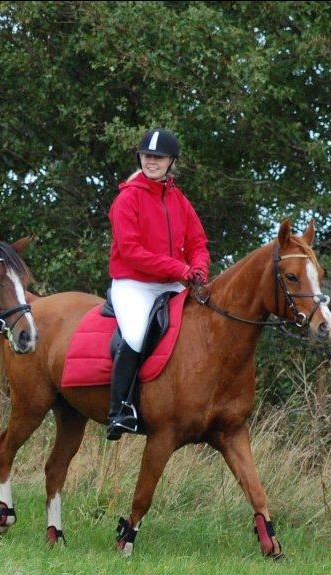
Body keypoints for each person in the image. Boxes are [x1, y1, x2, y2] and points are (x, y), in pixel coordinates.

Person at [105, 128, 210, 441]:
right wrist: (180, 268)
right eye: (147, 156)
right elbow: (131, 251)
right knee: (135, 336)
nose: (151, 162)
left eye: (158, 157)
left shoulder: (179, 200)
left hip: (172, 284)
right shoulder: (126, 198)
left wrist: (199, 269)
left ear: (171, 161)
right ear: (140, 157)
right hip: (133, 283)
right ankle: (119, 410)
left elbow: (198, 241)